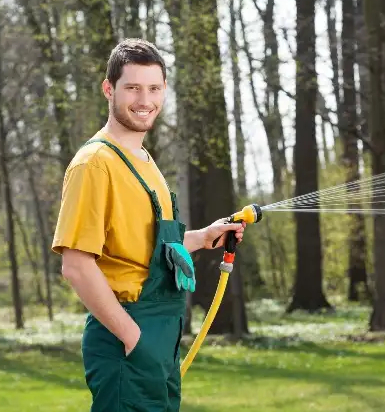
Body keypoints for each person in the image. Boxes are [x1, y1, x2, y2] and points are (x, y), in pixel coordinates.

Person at [51, 38, 245, 412]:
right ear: (109, 89)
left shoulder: (144, 160)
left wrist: (203, 238)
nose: (145, 100)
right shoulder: (94, 164)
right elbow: (76, 265)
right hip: (128, 339)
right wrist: (132, 337)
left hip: (162, 339)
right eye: (133, 88)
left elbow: (145, 249)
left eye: (154, 88)